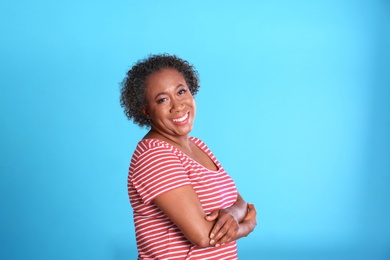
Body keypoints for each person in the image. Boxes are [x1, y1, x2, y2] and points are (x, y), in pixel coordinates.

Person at [120, 53, 257, 259]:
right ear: (147, 111)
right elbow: (202, 236)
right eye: (163, 99)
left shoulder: (198, 145)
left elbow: (239, 202)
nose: (178, 105)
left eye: (181, 91)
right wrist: (247, 226)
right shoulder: (154, 156)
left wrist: (232, 214)